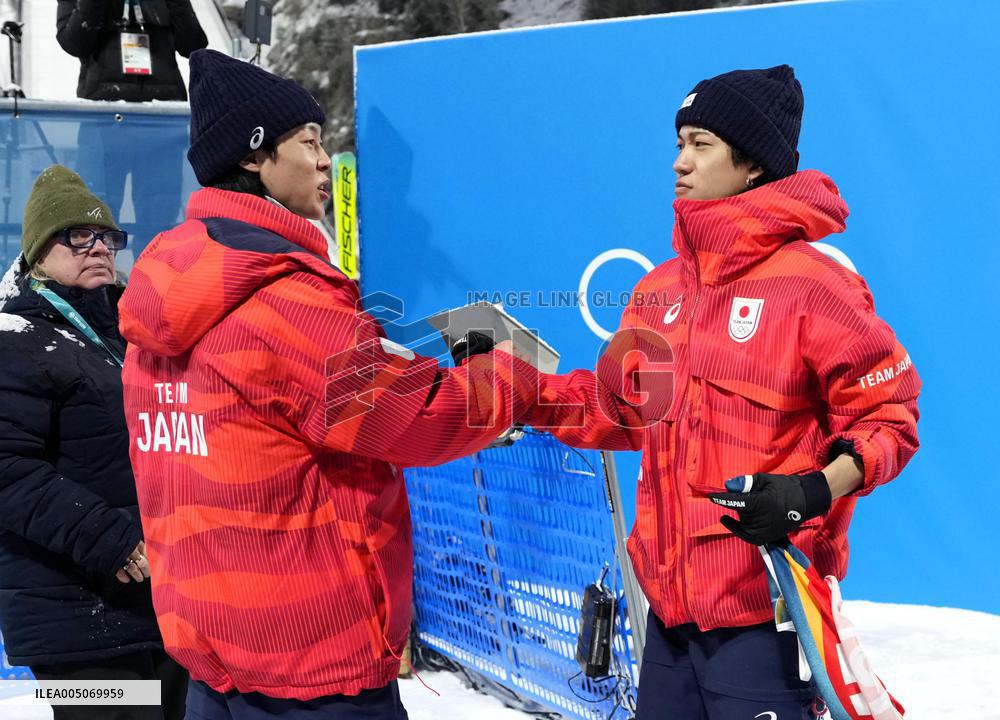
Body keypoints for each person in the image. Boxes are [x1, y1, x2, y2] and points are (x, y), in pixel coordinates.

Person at [117, 49, 540, 720]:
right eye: (309, 142)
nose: (323, 160)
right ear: (255, 157)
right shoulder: (286, 299)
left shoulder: (160, 300)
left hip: (215, 657)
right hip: (314, 666)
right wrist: (508, 371)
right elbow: (418, 418)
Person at [522, 66, 921, 718]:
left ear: (752, 165)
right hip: (669, 625)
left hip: (764, 621)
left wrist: (811, 490)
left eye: (700, 143)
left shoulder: (812, 287)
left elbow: (891, 417)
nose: (679, 161)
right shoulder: (658, 290)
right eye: (679, 142)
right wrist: (510, 391)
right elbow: (617, 409)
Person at [0, 165, 188, 720]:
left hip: (163, 601)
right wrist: (110, 539)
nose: (98, 247)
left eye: (107, 237)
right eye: (76, 237)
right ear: (38, 255)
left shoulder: (138, 334)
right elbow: (7, 469)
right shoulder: (14, 341)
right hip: (75, 622)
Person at [56, 0, 209, 250]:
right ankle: (99, 287)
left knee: (160, 221)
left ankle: (153, 287)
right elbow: (73, 41)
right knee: (96, 217)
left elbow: (193, 44)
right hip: (103, 123)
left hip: (161, 125)